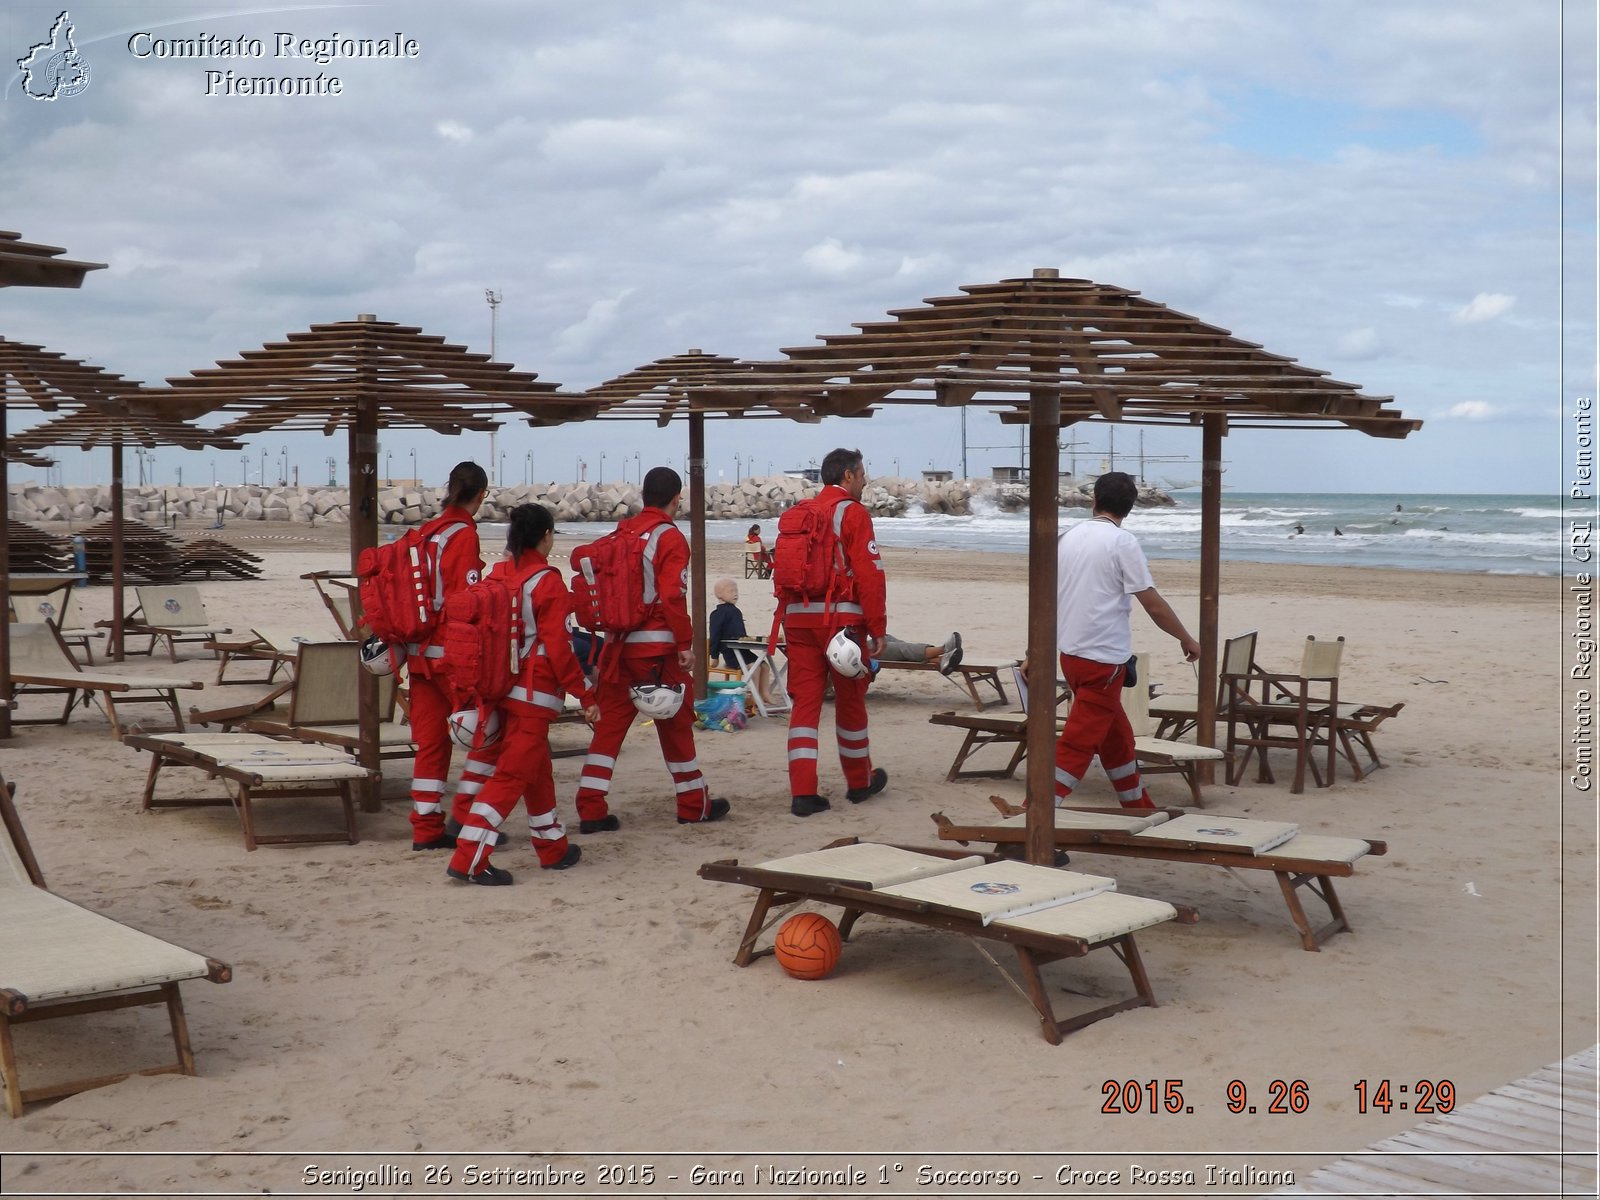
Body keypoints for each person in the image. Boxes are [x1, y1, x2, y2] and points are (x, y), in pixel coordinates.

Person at [447, 504, 600, 886]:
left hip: (498, 686)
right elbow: (560, 647)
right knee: (512, 775)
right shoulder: (547, 581)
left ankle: (553, 846)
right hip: (535, 693)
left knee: (536, 769)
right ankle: (470, 859)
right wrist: (584, 693)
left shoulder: (500, 574)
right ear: (546, 535)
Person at [572, 466, 730, 827]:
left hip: (616, 647)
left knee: (610, 727)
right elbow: (673, 594)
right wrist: (685, 643)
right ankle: (693, 805)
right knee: (676, 725)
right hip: (657, 652)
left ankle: (590, 807)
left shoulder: (620, 533)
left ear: (644, 496)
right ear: (677, 499)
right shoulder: (669, 538)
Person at [1054, 471, 1200, 811]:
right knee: (1077, 743)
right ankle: (1038, 811)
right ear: (1130, 508)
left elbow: (1049, 599)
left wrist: (1033, 650)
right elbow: (1151, 603)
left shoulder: (1067, 538)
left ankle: (1139, 806)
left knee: (1117, 738)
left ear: (1094, 501)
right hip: (1103, 660)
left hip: (1070, 655)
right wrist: (1187, 638)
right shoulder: (1123, 542)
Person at [779, 447, 888, 817]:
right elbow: (871, 574)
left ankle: (803, 793)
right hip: (840, 624)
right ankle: (859, 783)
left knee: (805, 707)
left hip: (796, 619)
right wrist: (878, 626)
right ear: (847, 476)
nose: (865, 480)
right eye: (862, 473)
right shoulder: (853, 514)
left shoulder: (801, 514)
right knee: (851, 701)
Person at [407, 461, 494, 852]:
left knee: (431, 744)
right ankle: (467, 818)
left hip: (417, 653)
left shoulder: (426, 531)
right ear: (481, 494)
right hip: (448, 657)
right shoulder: (462, 535)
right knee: (487, 734)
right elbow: (465, 602)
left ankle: (425, 830)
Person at [708, 577, 752, 669]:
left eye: (736, 591)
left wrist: (746, 639)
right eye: (731, 591)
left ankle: (761, 684)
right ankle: (752, 684)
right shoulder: (717, 614)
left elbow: (740, 632)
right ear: (719, 594)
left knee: (764, 666)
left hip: (743, 650)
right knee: (754, 667)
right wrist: (714, 656)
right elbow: (715, 635)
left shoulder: (736, 611)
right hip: (730, 651)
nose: (735, 594)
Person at [877, 632, 963, 675]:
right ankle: (943, 649)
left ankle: (941, 659)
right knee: (888, 648)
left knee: (887, 638)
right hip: (864, 652)